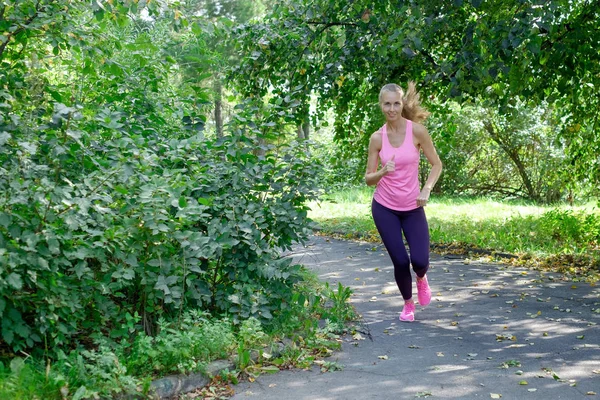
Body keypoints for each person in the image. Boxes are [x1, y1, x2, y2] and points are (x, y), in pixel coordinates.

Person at [365, 82, 443, 322]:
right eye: (387, 103)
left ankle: (421, 278)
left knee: (420, 260)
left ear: (402, 104)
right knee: (400, 260)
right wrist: (382, 173)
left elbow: (437, 165)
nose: (391, 108)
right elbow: (368, 179)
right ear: (381, 105)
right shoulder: (377, 138)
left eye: (396, 103)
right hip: (384, 207)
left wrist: (427, 189)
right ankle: (408, 304)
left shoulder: (417, 132)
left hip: (413, 207)